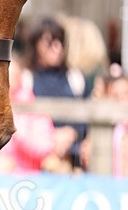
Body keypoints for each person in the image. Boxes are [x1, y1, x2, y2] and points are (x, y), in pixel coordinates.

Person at [23, 17, 89, 172]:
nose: (57, 47)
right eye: (50, 42)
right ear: (36, 45)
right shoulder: (26, 79)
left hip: (73, 160)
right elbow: (22, 124)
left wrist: (72, 134)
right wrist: (51, 139)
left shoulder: (76, 78)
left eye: (60, 41)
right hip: (37, 163)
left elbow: (88, 117)